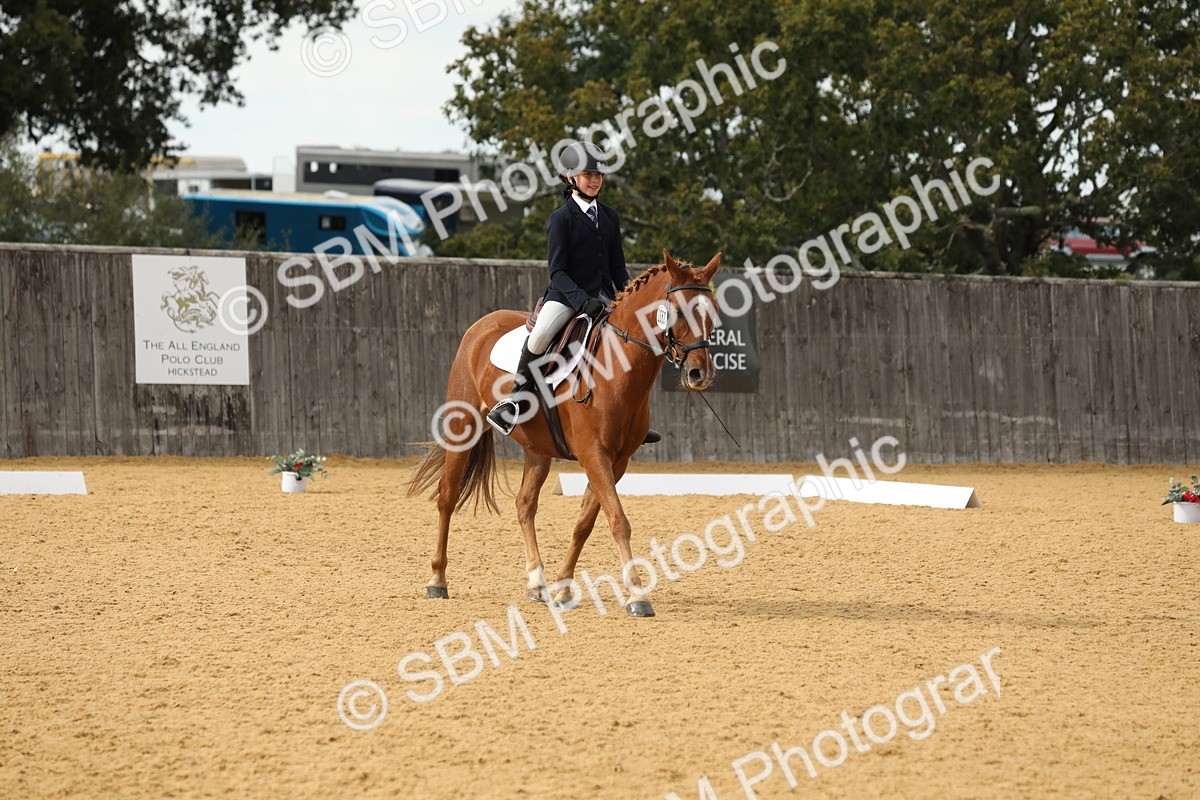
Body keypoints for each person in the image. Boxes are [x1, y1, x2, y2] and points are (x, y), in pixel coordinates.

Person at [487, 140, 659, 446]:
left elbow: (618, 267)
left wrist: (629, 297)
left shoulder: (609, 217)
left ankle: (633, 419)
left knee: (632, 341)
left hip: (605, 297)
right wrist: (582, 301)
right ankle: (514, 401)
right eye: (588, 174)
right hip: (565, 298)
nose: (595, 180)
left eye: (599, 175)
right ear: (571, 178)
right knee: (539, 337)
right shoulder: (560, 218)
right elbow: (558, 271)